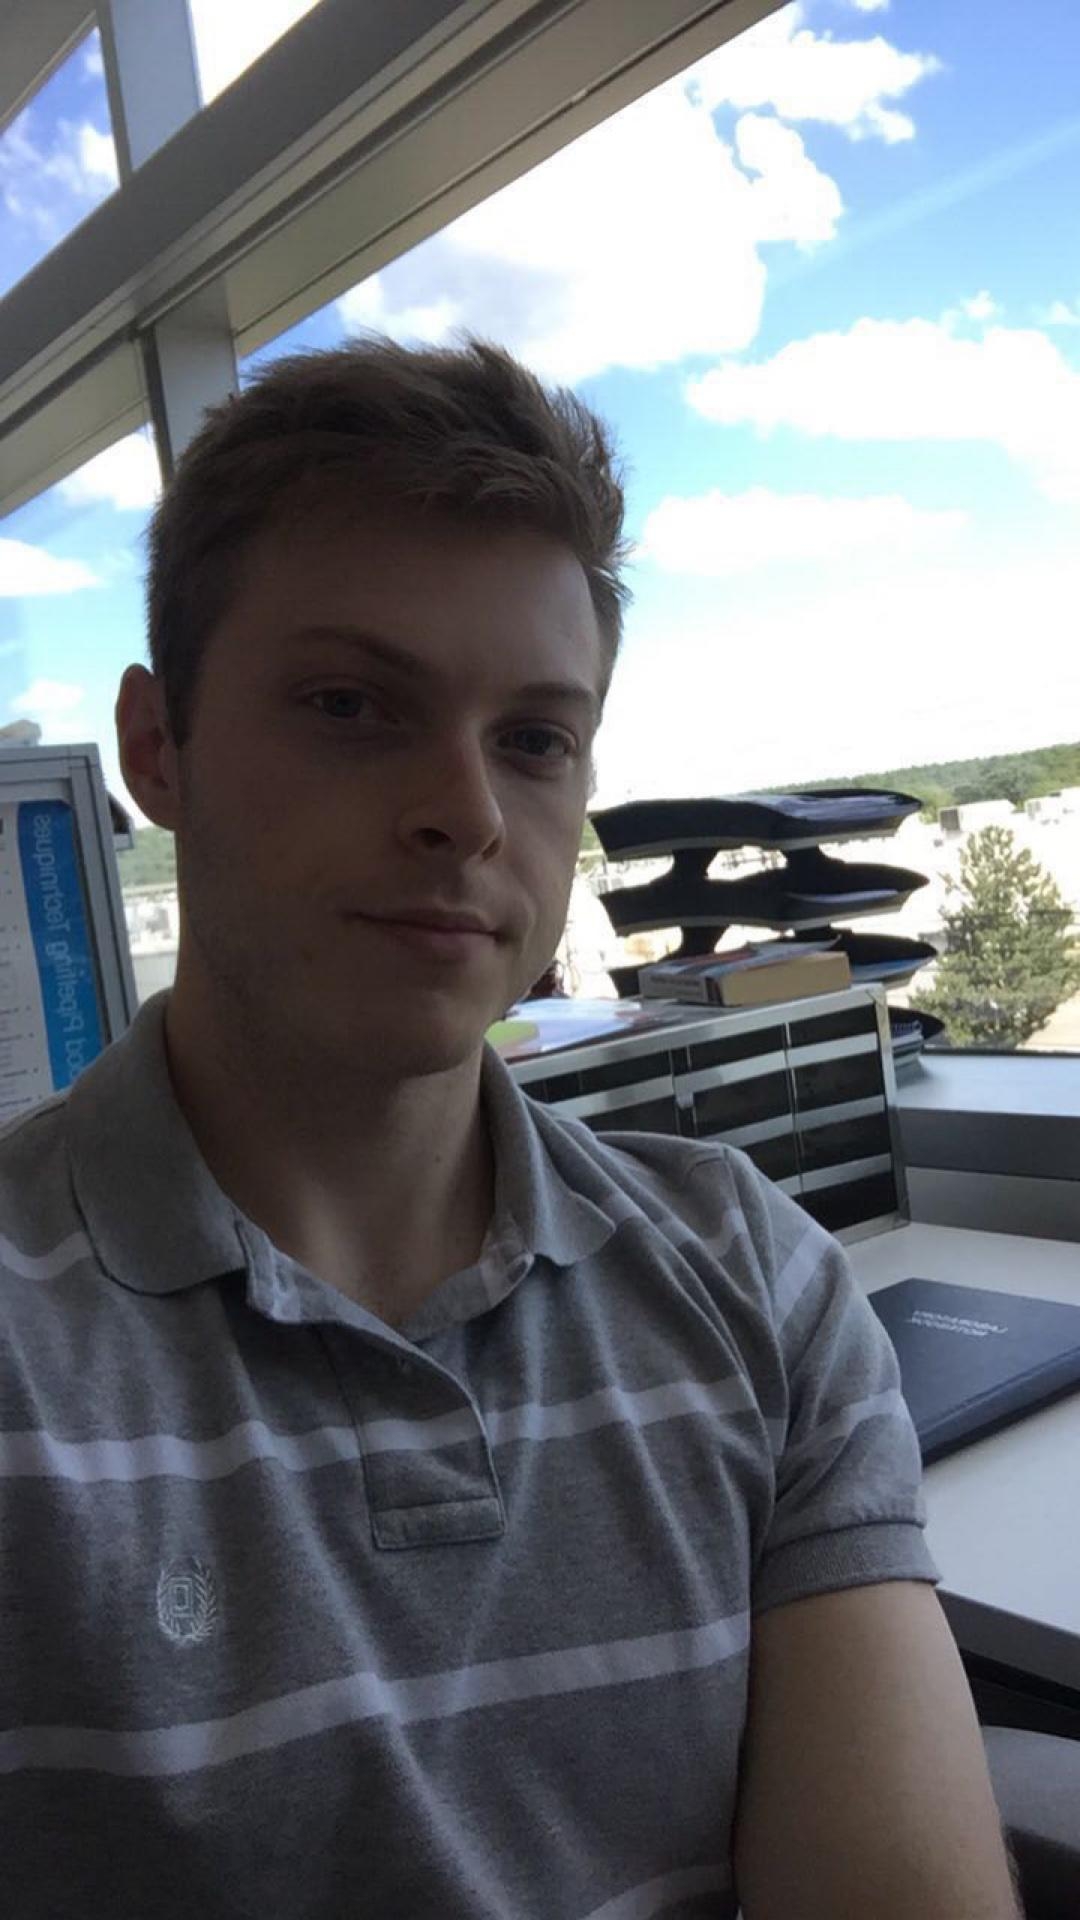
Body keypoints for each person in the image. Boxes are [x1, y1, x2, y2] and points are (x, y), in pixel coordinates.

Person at [0, 337, 1020, 1919]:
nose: (467, 813)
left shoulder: (754, 1282)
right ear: (157, 749)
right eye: (350, 705)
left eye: (535, 739)